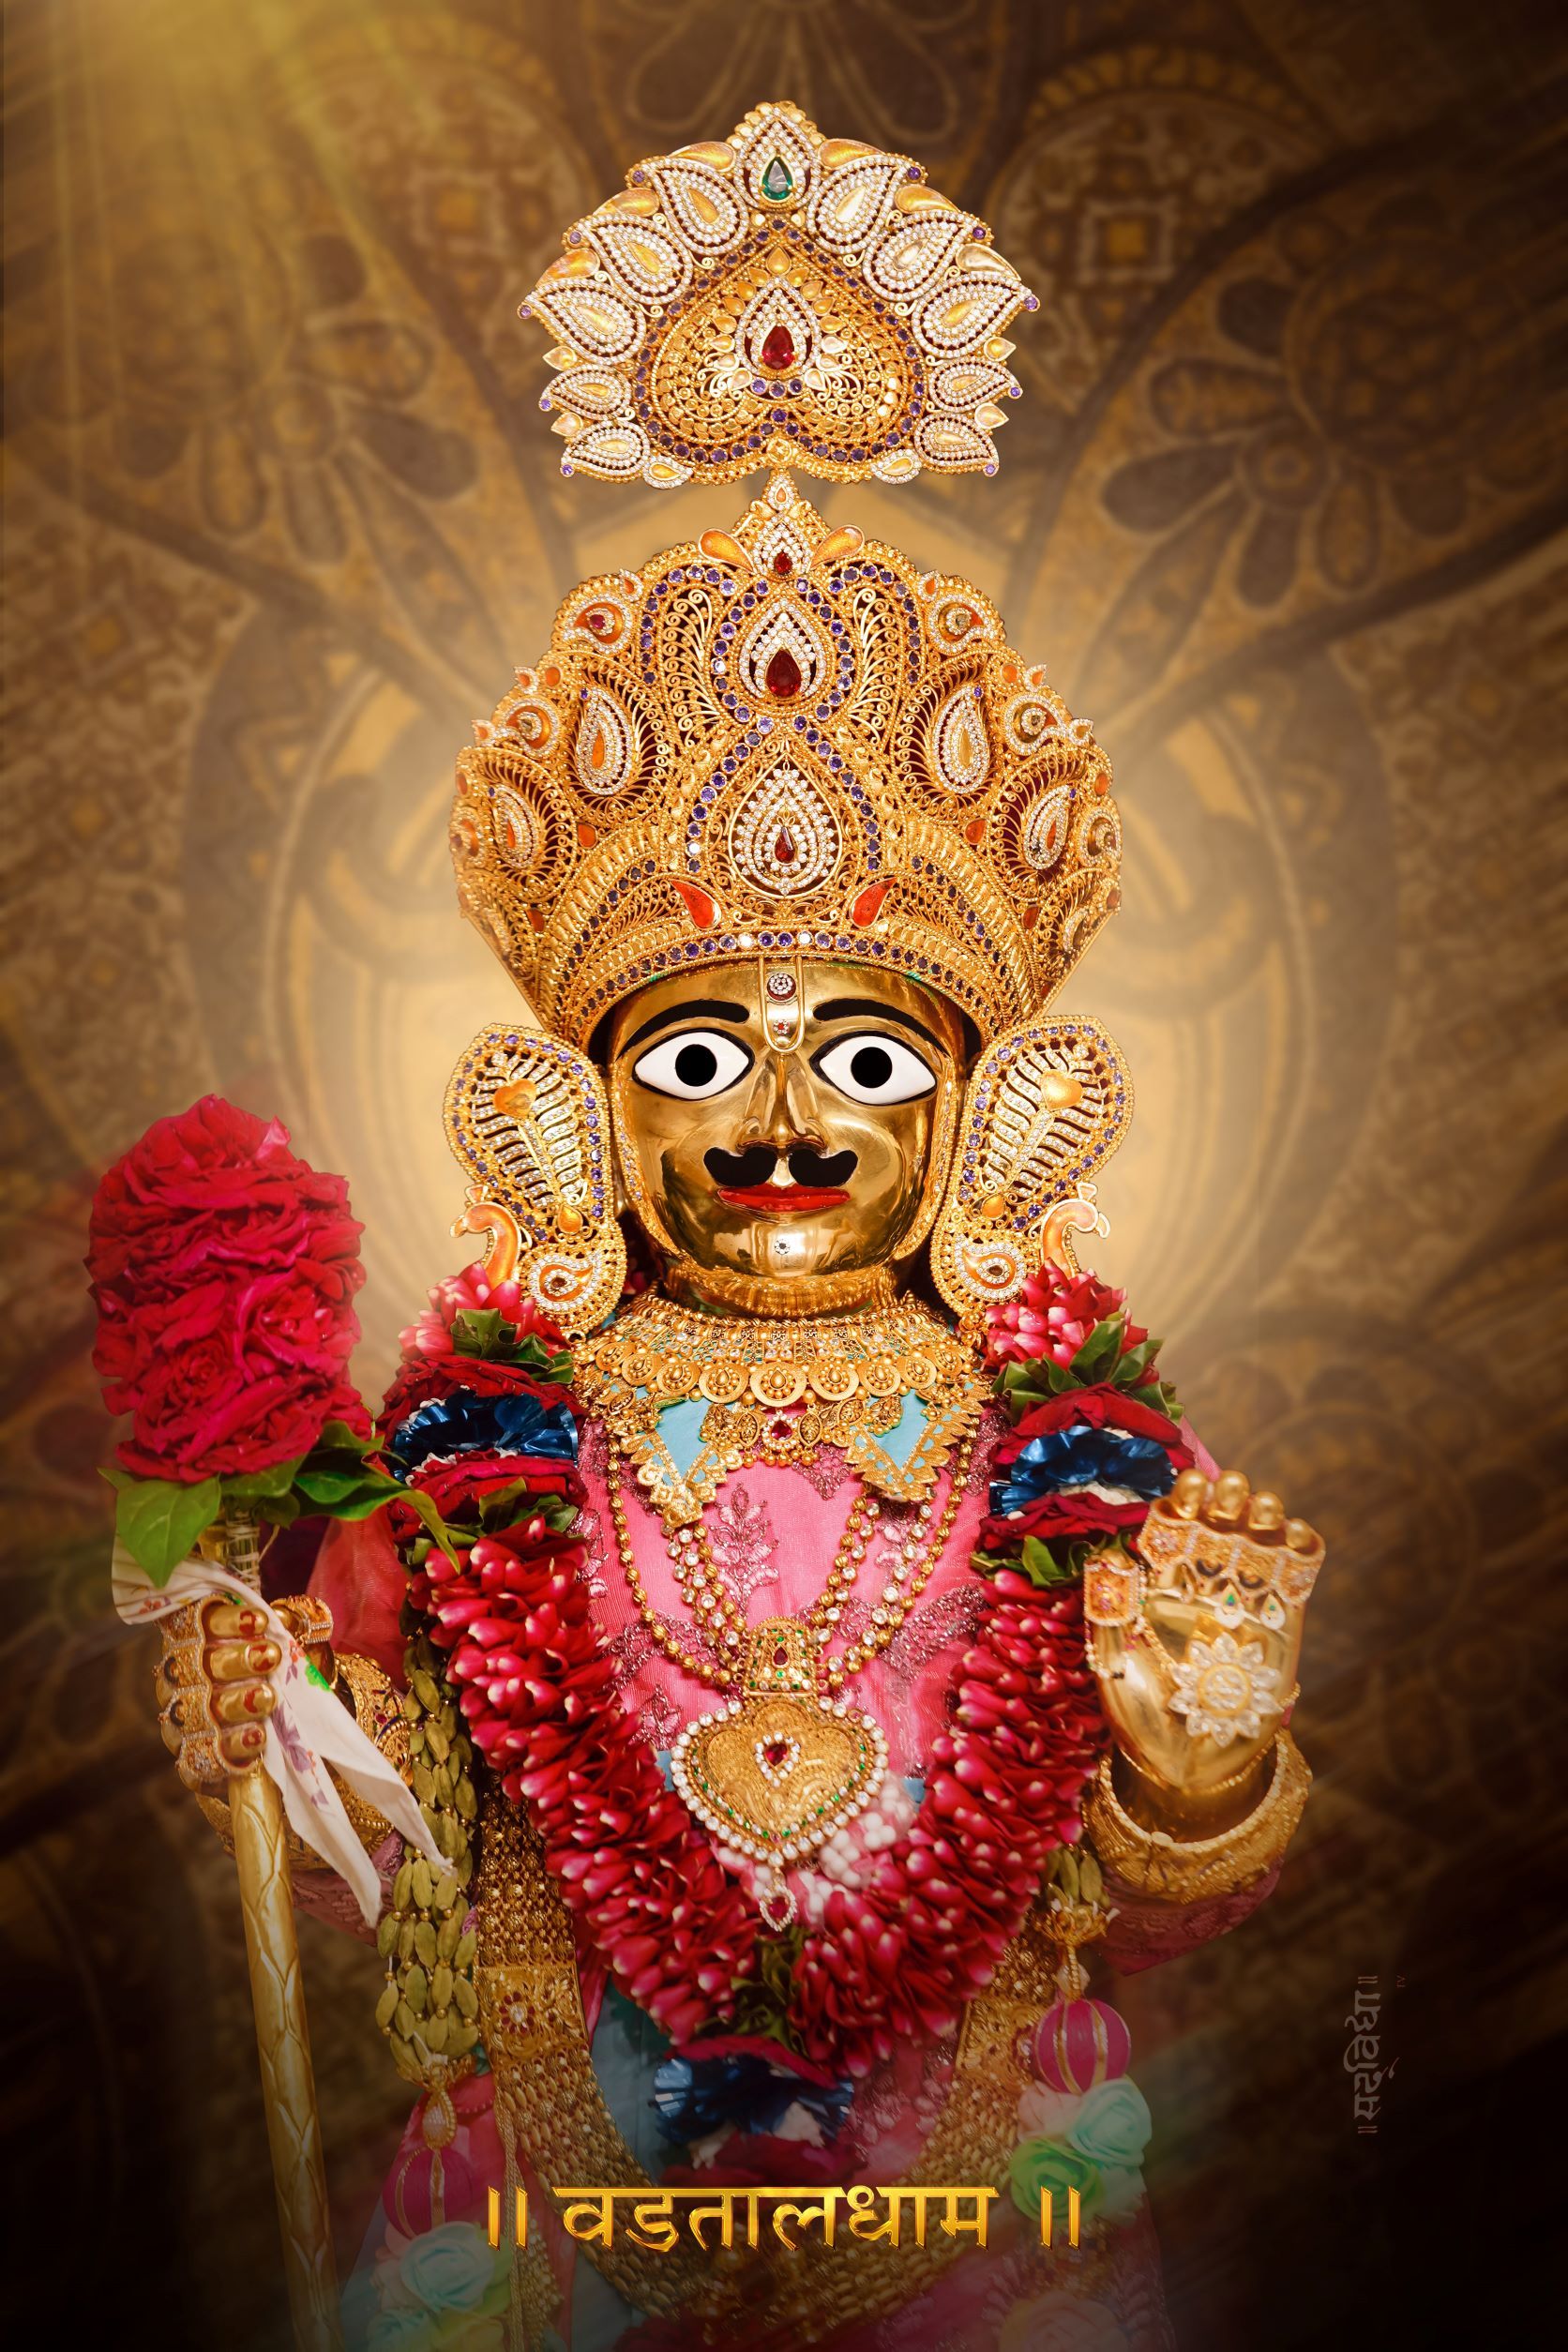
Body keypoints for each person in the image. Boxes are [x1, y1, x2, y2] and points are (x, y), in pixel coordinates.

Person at [151, 101, 1320, 2352]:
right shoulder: (480, 1445)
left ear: (982, 1112)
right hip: (547, 2198)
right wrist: (266, 1717)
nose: (782, 1111)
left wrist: (1197, 1763)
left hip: (986, 2210)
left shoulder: (1057, 1445)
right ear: (577, 1103)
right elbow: (389, 1887)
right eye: (700, 1057)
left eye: (864, 1061)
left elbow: (1154, 1911)